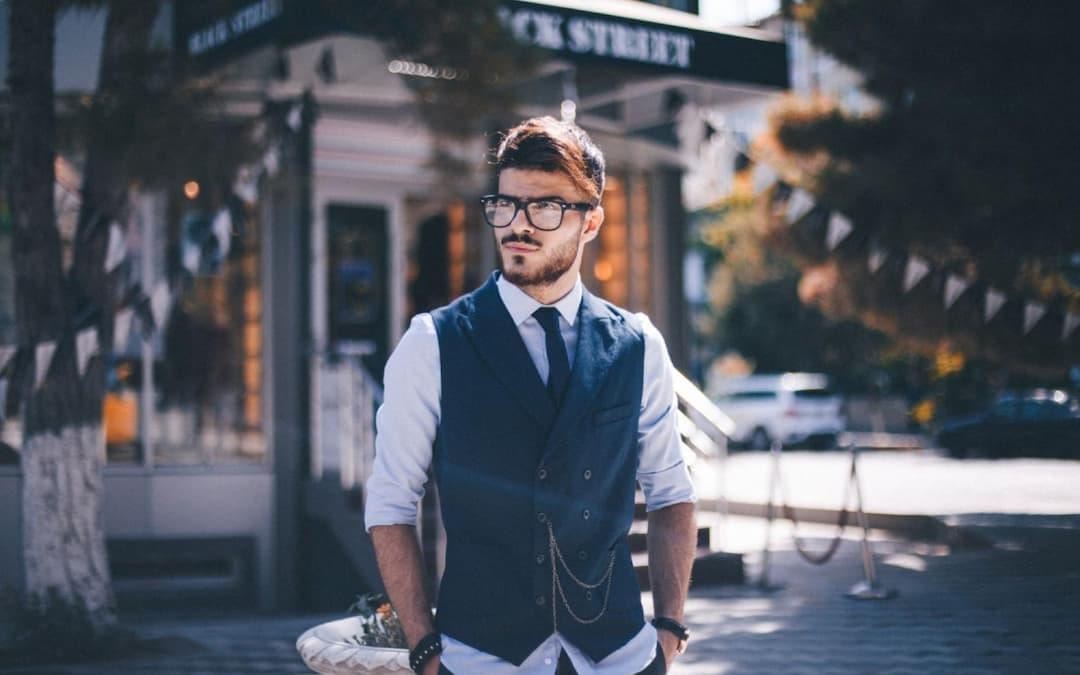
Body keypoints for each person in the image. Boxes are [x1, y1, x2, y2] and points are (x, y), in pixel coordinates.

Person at [364, 116, 698, 675]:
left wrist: (667, 634)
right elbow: (391, 504)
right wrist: (425, 651)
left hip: (619, 659)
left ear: (590, 222)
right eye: (506, 205)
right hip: (480, 661)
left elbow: (672, 496)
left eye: (544, 207)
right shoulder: (433, 343)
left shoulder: (638, 344)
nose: (517, 225)